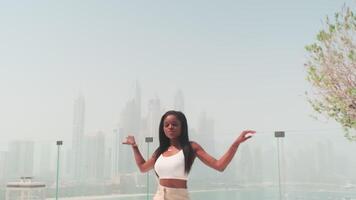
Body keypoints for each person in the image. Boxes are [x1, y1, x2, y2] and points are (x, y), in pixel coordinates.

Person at [123, 110, 255, 200]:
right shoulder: (160, 151)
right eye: (166, 124)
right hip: (159, 196)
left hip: (179, 196)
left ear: (182, 127)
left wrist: (236, 143)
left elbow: (219, 165)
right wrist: (134, 146)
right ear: (162, 129)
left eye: (174, 124)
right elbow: (143, 168)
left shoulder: (191, 147)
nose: (170, 127)